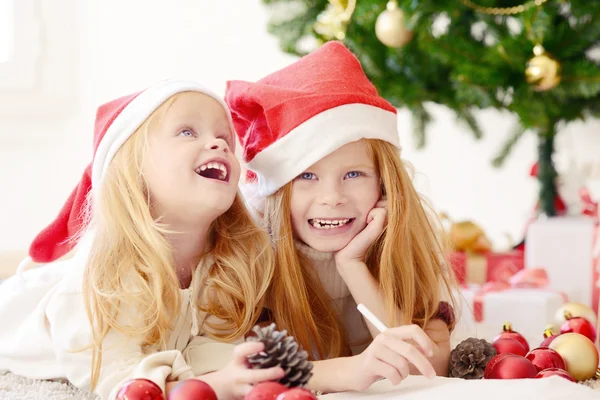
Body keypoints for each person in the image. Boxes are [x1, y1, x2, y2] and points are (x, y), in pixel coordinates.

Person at [0, 80, 283, 399]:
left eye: (224, 139)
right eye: (188, 132)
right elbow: (117, 379)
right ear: (134, 169)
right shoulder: (104, 274)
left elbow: (211, 344)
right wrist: (212, 386)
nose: (217, 144)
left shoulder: (225, 261)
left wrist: (229, 373)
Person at [225, 42, 457, 393]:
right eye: (306, 176)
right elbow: (244, 377)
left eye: (354, 175)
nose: (332, 198)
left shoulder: (401, 246)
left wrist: (352, 263)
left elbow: (424, 367)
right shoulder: (252, 258)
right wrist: (352, 370)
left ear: (384, 184)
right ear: (277, 190)